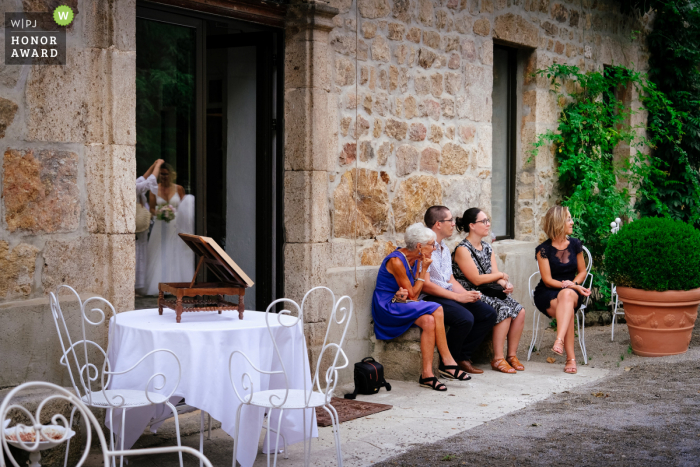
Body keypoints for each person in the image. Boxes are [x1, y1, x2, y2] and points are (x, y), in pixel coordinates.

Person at [372, 223, 470, 391]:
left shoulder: (417, 258)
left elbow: (413, 294)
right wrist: (424, 269)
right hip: (388, 306)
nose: (433, 248)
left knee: (429, 322)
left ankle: (427, 375)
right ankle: (448, 362)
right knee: (437, 308)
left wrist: (422, 269)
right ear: (419, 246)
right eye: (431, 245)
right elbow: (414, 296)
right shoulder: (397, 261)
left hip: (403, 303)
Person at [420, 206, 497, 375]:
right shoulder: (424, 247)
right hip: (429, 297)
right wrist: (457, 297)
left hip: (447, 294)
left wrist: (466, 294)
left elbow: (450, 279)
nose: (454, 224)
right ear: (438, 224)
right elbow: (425, 285)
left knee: (487, 313)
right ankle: (447, 364)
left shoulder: (444, 248)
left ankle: (463, 357)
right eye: (450, 220)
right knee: (465, 318)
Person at [452, 208, 527, 374]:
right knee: (505, 310)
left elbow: (494, 275)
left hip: (488, 290)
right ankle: (497, 358)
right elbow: (476, 279)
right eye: (483, 221)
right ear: (472, 225)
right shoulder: (463, 249)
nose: (488, 224)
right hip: (472, 291)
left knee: (520, 311)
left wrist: (505, 283)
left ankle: (511, 355)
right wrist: (500, 275)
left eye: (488, 220)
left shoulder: (487, 247)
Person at [533, 206, 591, 374]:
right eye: (568, 219)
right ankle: (570, 359)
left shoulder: (575, 244)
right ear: (558, 223)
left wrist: (572, 285)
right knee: (568, 308)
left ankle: (559, 341)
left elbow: (582, 271)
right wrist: (569, 286)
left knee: (567, 296)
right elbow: (548, 280)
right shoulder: (543, 250)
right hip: (548, 292)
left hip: (572, 290)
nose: (572, 222)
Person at [139, 162, 195, 296]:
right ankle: (158, 284)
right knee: (159, 251)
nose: (163, 177)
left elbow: (185, 208)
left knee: (175, 251)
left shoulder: (179, 189)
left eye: (166, 174)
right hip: (160, 224)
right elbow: (151, 208)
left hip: (176, 225)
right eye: (162, 174)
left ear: (171, 175)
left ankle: (176, 283)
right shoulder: (154, 189)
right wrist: (160, 212)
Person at [135, 160, 162, 291]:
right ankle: (135, 286)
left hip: (142, 229)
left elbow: (142, 178)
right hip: (138, 229)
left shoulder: (135, 185)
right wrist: (157, 166)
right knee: (137, 254)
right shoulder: (133, 188)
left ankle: (139, 285)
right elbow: (149, 182)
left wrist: (152, 165)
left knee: (141, 253)